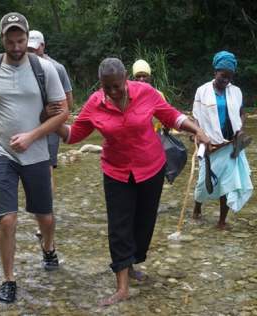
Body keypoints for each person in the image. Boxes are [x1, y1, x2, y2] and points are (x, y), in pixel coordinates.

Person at [50, 57, 210, 306]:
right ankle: (122, 285)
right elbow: (73, 135)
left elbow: (172, 117)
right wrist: (53, 122)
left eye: (117, 86)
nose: (113, 92)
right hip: (117, 172)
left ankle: (132, 264)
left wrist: (197, 130)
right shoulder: (95, 103)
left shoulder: (146, 92)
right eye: (107, 87)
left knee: (144, 223)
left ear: (126, 78)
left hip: (151, 168)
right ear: (101, 84)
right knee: (119, 226)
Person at [0, 12, 68, 304]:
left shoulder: (45, 69)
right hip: (0, 152)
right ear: (3, 40)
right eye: (11, 41)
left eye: (21, 40)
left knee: (44, 216)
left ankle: (48, 247)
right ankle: (9, 279)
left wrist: (33, 136)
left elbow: (63, 113)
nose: (17, 46)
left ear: (27, 38)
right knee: (6, 220)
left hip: (36, 153)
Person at [192, 50, 253, 229]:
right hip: (209, 144)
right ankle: (197, 209)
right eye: (223, 75)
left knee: (228, 183)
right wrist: (197, 135)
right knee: (204, 182)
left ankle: (221, 221)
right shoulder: (202, 91)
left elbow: (242, 114)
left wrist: (239, 129)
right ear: (215, 72)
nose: (226, 79)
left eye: (230, 76)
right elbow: (196, 117)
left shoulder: (236, 92)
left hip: (230, 144)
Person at [27, 30, 73, 259]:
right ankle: (43, 218)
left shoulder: (56, 69)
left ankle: (44, 218)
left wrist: (52, 118)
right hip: (28, 127)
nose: (32, 52)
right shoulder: (19, 67)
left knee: (47, 169)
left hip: (52, 126)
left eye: (36, 49)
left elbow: (68, 102)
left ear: (43, 46)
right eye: (29, 49)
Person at [132, 59, 165, 131]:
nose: (141, 79)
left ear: (150, 78)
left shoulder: (158, 95)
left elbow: (166, 116)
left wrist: (166, 126)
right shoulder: (128, 96)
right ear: (134, 79)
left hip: (155, 136)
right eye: (138, 76)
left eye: (144, 76)